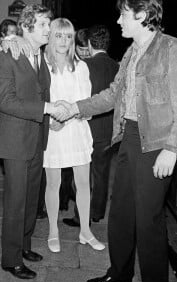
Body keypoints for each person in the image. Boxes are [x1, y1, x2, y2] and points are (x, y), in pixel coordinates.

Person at [55, 0, 177, 282]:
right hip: (129, 137)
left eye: (123, 14)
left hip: (157, 143)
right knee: (121, 211)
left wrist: (172, 149)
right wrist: (75, 108)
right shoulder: (131, 52)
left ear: (142, 15)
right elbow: (112, 95)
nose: (118, 20)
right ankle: (120, 272)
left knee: (148, 219)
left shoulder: (174, 51)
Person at [0, 4, 68, 280]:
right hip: (15, 140)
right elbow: (7, 102)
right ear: (26, 26)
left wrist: (53, 118)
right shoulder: (5, 56)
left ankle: (23, 246)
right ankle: (10, 259)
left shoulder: (39, 57)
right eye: (44, 24)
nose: (50, 29)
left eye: (50, 24)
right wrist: (46, 108)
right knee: (15, 201)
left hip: (36, 137)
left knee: (31, 198)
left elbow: (39, 92)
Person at [43, 18, 105, 253]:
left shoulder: (80, 66)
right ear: (51, 37)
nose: (64, 41)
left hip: (75, 130)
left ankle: (85, 232)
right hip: (52, 132)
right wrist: (51, 120)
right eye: (59, 35)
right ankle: (52, 231)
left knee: (83, 184)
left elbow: (84, 102)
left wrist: (66, 118)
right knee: (53, 184)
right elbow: (38, 99)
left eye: (68, 36)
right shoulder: (42, 65)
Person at [63, 24, 119, 227]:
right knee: (101, 173)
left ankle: (81, 216)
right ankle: (97, 213)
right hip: (108, 128)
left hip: (87, 126)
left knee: (83, 175)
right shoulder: (117, 66)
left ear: (88, 43)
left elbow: (79, 96)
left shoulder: (84, 66)